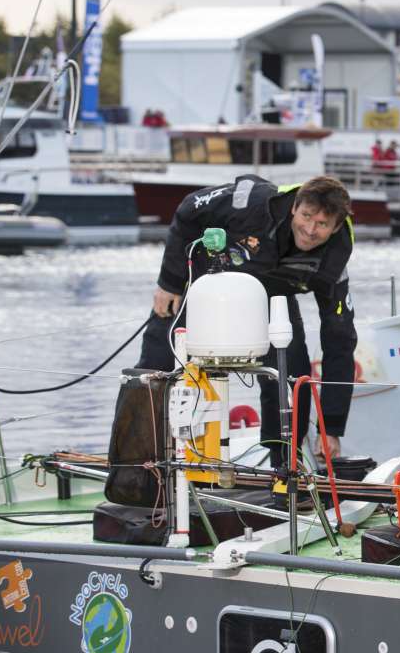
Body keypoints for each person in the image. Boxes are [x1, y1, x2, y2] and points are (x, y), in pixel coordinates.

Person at [135, 175, 357, 467]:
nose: (310, 230)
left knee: (292, 374)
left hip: (272, 297)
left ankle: (285, 466)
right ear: (294, 208)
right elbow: (189, 209)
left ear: (337, 227)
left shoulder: (335, 257)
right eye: (306, 217)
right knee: (156, 359)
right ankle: (136, 459)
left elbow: (339, 340)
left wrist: (332, 428)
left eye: (322, 224)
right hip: (208, 280)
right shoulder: (253, 202)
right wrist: (169, 281)